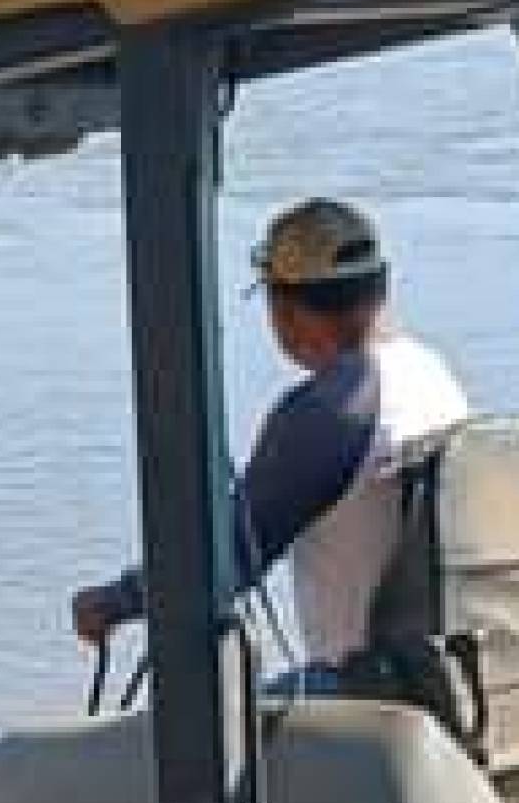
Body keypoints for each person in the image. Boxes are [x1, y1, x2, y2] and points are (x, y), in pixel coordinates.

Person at [73, 198, 471, 683]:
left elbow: (227, 559)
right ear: (381, 288)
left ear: (285, 308)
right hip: (443, 675)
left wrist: (114, 601)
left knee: (128, 745)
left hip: (372, 696)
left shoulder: (330, 410)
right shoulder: (432, 375)